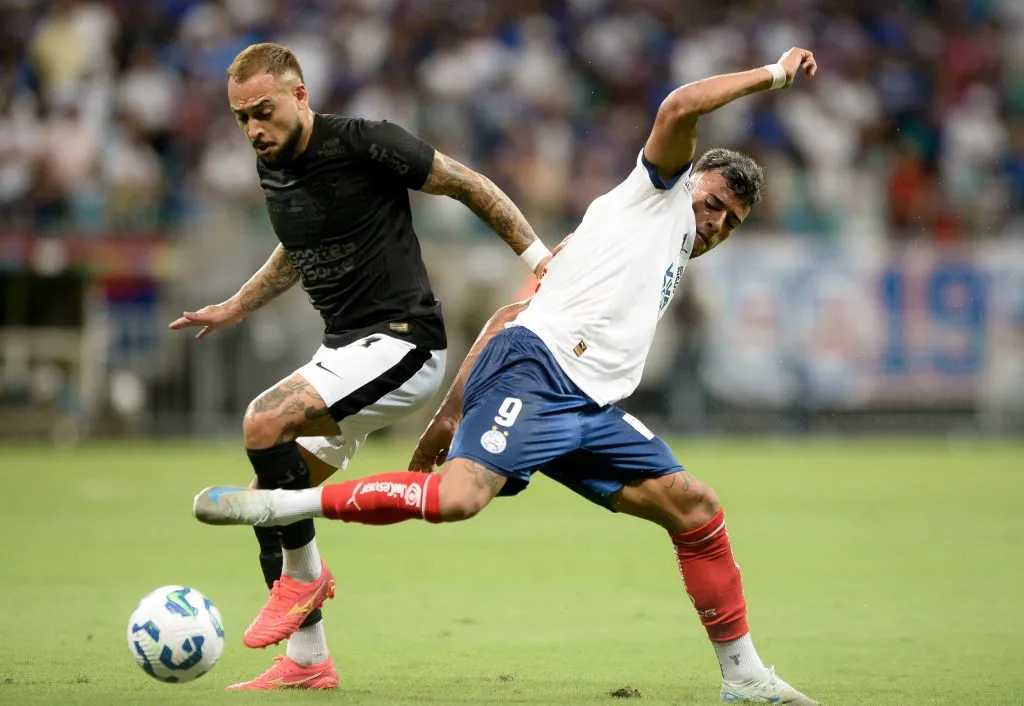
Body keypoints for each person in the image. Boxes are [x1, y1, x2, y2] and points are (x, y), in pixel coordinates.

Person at [193, 47, 820, 704]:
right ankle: (286, 504)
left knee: (697, 510)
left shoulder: (657, 248)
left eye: (731, 220)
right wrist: (774, 74)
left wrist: (449, 412)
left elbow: (512, 309)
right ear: (692, 179)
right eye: (714, 202)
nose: (715, 222)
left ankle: (744, 677)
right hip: (537, 372)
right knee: (460, 499)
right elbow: (679, 106)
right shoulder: (655, 196)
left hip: (587, 405)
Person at [169, 42, 552, 691]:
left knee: (263, 422)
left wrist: (540, 261)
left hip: (405, 344)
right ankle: (309, 661)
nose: (253, 128)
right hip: (345, 350)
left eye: (263, 111)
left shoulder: (365, 143)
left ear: (300, 95)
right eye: (241, 119)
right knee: (272, 502)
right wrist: (238, 303)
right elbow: (298, 246)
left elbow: (467, 183)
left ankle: (305, 579)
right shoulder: (272, 163)